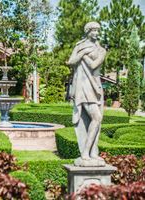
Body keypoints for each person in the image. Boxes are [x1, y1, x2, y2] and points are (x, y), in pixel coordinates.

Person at [67, 22, 106, 166]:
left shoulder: (101, 50)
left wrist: (82, 55)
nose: (96, 33)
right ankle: (85, 152)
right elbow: (71, 61)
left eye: (98, 30)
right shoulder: (79, 46)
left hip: (95, 87)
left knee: (96, 120)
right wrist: (82, 52)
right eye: (94, 30)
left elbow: (94, 65)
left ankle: (92, 152)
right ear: (88, 31)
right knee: (97, 117)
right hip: (83, 87)